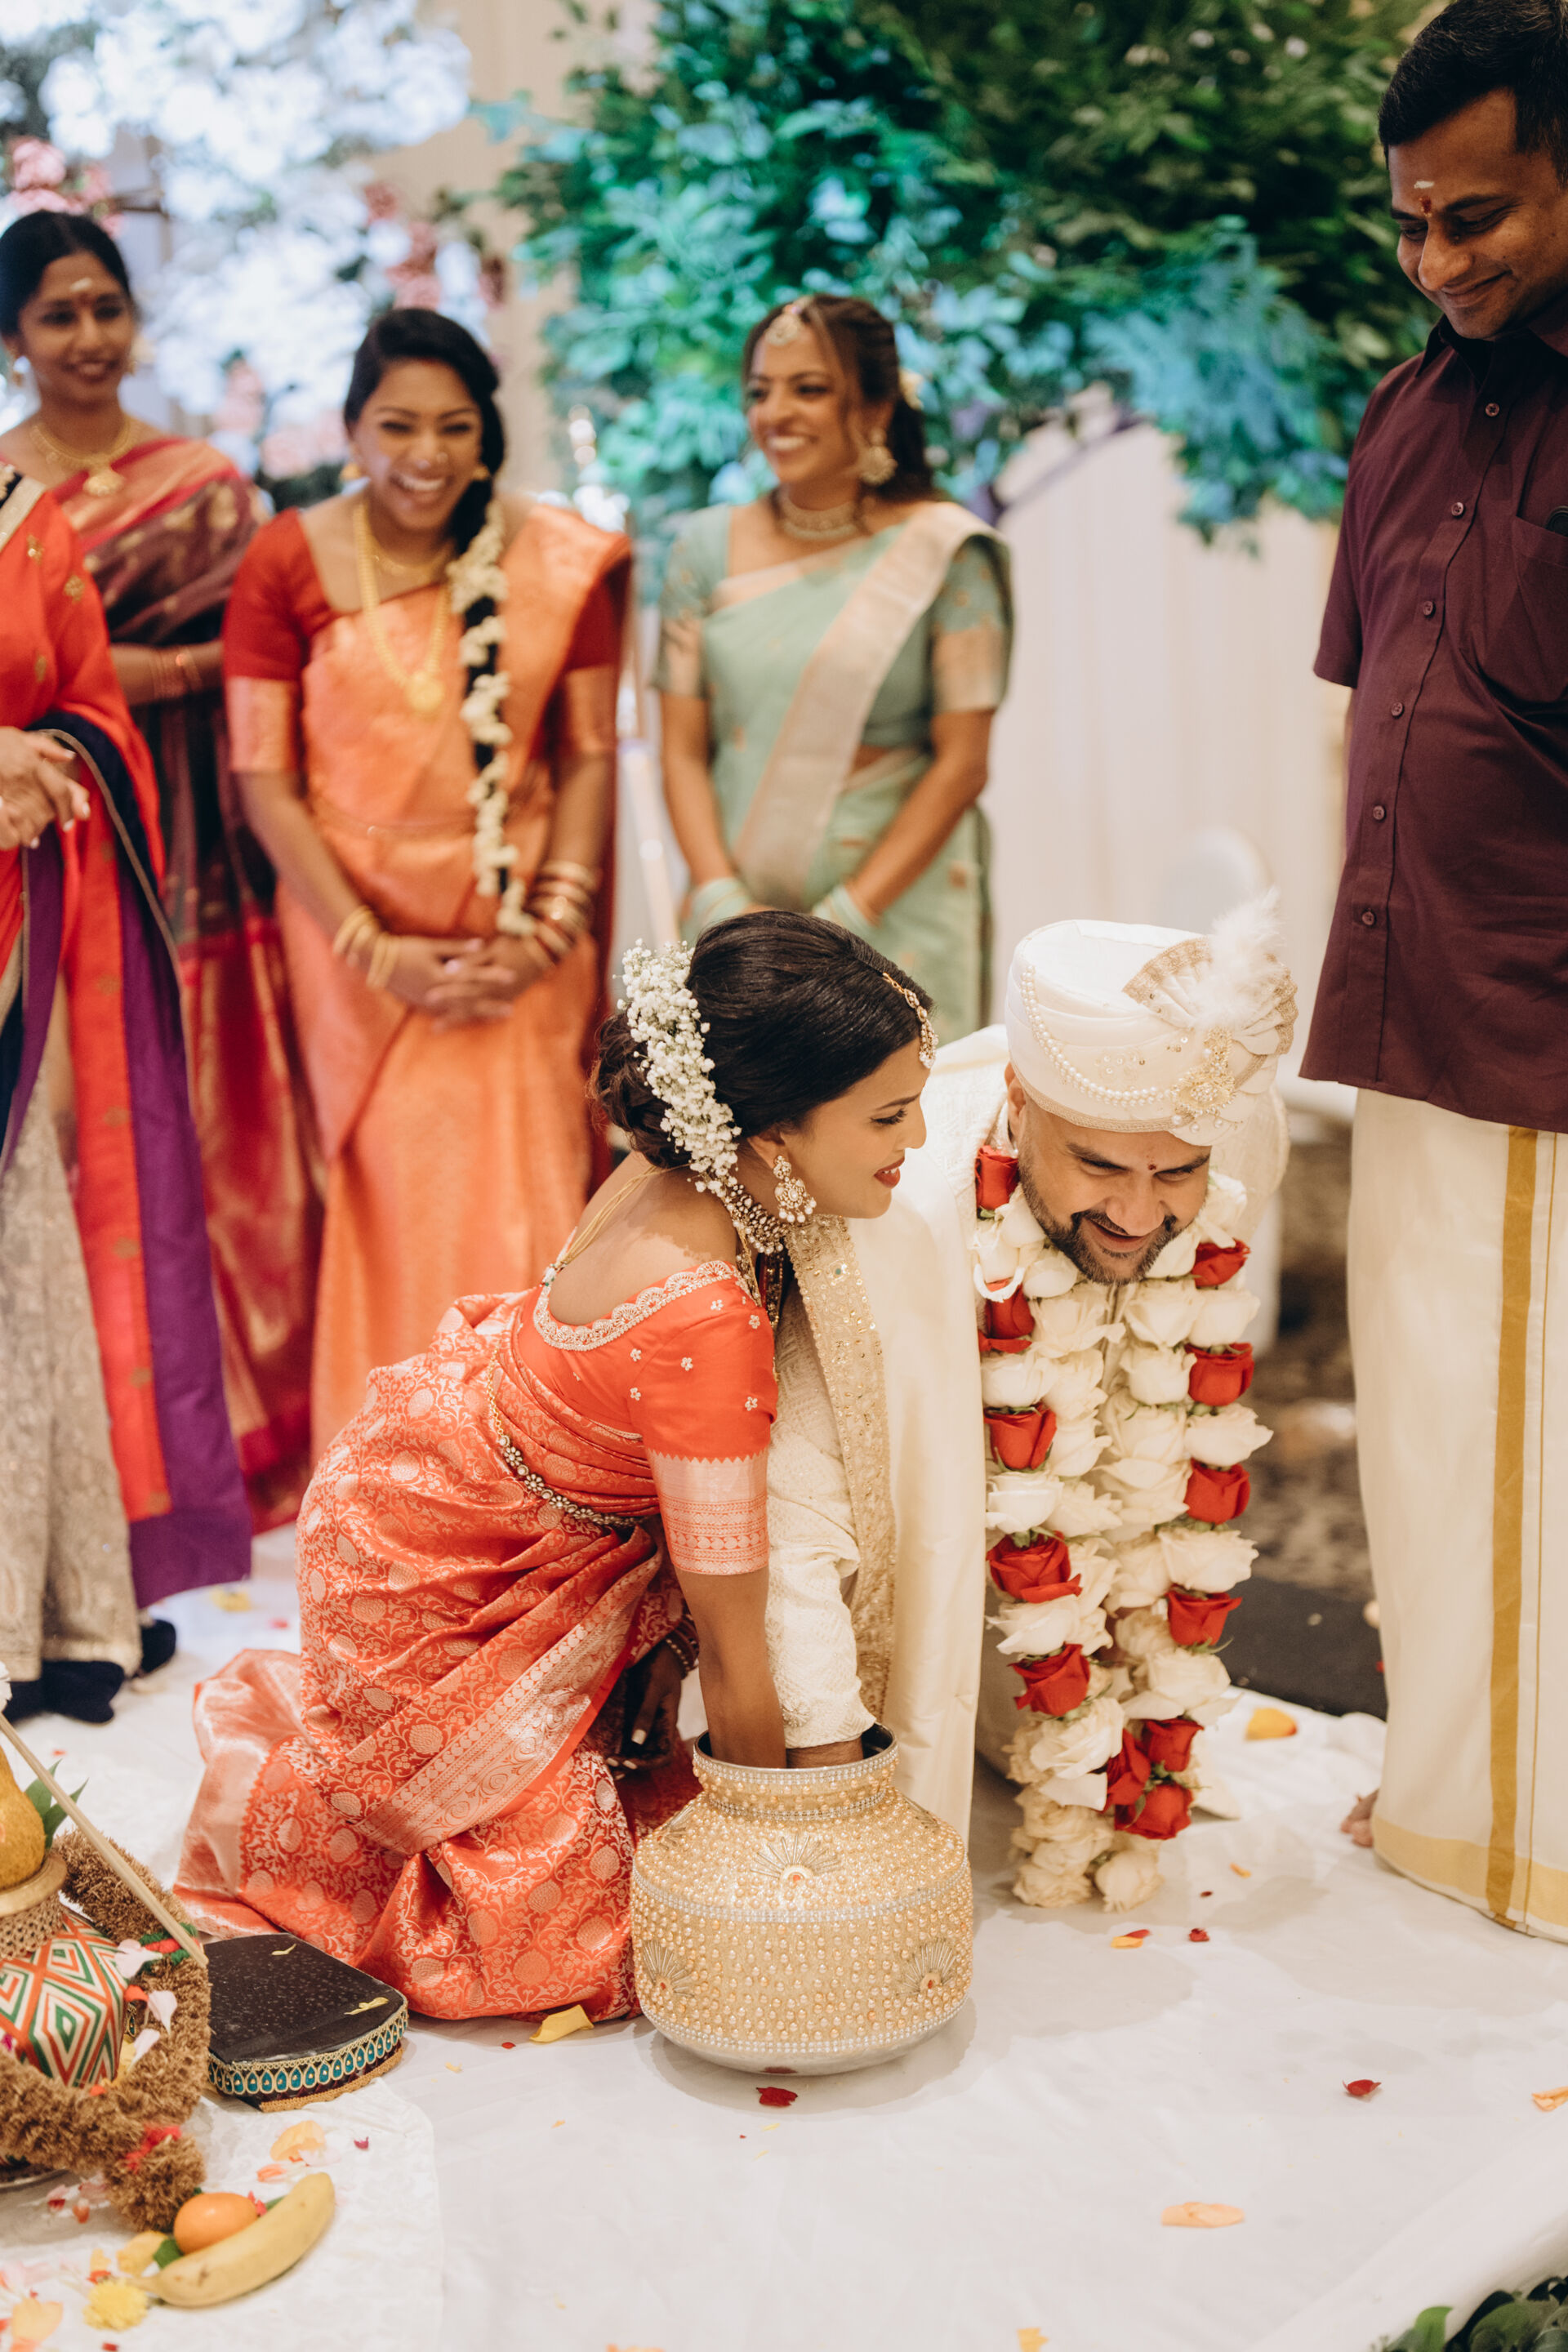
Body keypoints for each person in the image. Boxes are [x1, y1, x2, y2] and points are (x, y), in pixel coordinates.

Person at [176, 912, 935, 2021]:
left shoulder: (671, 1168)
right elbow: (738, 1644)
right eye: (889, 1115)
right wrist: (776, 1872)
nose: (918, 1137)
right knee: (582, 1934)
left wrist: (658, 1655)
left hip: (441, 1483)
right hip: (441, 1571)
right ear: (774, 1129)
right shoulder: (705, 1318)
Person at [1302, 0, 1568, 1939]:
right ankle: (1452, 1799)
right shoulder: (1400, 414)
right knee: (1423, 1429)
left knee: (1549, 1451)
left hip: (1548, 1022)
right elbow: (1364, 708)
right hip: (1409, 1006)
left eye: (1475, 216)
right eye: (1409, 222)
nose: (1435, 259)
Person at [782, 912, 1295, 1905]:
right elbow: (798, 1511)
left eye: (1175, 1173)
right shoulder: (897, 1212)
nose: (1139, 1215)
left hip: (1092, 1580)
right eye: (1099, 1167)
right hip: (914, 1597)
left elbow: (1164, 1392)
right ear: (1018, 1102)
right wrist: (826, 1773)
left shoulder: (1242, 1138)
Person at [225, 308, 631, 1458]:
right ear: (353, 429)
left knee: (531, 1197)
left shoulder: (557, 560)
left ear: (487, 435)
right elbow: (263, 779)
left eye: (455, 426)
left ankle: (546, 1484)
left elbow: (588, 755)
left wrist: (548, 929)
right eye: (397, 425)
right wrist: (372, 947)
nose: (427, 453)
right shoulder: (287, 559)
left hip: (519, 943)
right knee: (394, 1209)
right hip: (355, 948)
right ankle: (398, 1484)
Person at [0, 210, 318, 1530]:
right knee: (80, 1135)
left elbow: (275, 649)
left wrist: (173, 676)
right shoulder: (8, 498)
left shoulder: (205, 482)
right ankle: (111, 1453)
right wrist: (163, 673)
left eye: (106, 308)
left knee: (232, 1112)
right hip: (62, 846)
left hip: (213, 838)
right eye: (58, 314)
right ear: (13, 338)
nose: (89, 337)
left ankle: (251, 1426)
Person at [0, 460, 248, 1722]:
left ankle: (46, 1610)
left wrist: (48, 758)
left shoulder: (23, 520)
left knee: (23, 1268)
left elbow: (94, 711)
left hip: (12, 934)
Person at [657, 293, 1012, 1045]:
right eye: (761, 391)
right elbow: (682, 750)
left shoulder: (945, 553)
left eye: (809, 389)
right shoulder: (702, 551)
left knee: (905, 1114)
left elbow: (962, 764)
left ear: (877, 408)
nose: (775, 413)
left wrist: (844, 925)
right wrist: (722, 902)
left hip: (895, 917)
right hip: (737, 917)